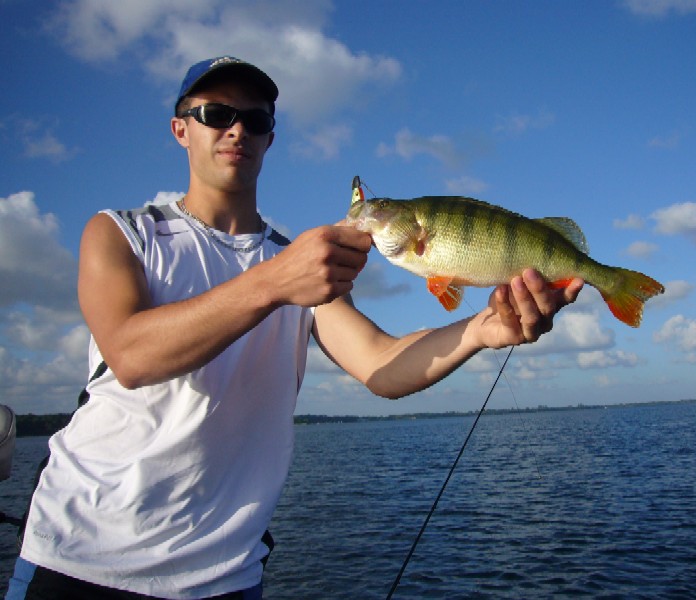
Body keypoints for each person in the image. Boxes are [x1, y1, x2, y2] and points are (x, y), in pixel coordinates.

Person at [7, 56, 583, 599]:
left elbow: (380, 364)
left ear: (270, 139)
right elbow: (131, 356)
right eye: (216, 114)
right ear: (181, 129)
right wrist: (274, 281)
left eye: (255, 120)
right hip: (79, 557)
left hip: (223, 575)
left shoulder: (298, 265)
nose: (237, 129)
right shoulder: (122, 233)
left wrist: (480, 329)